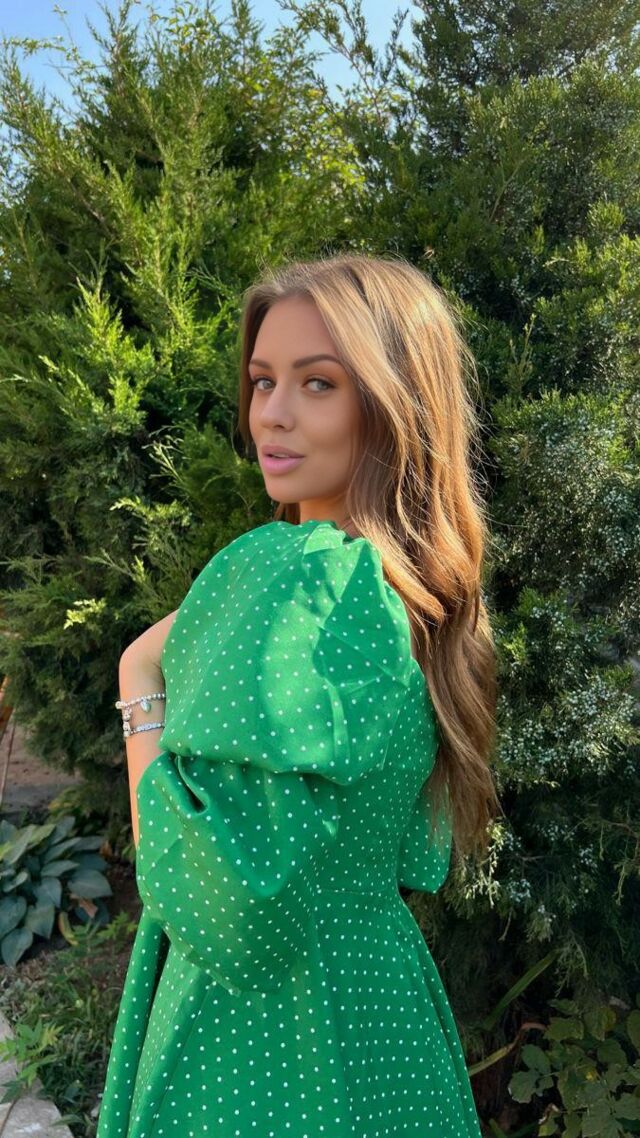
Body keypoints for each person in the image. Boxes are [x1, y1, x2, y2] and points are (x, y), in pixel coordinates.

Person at [98, 252, 501, 1138]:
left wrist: (138, 679)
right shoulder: (413, 598)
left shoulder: (296, 578)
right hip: (380, 1016)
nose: (271, 415)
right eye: (263, 381)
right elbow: (411, 853)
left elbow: (222, 903)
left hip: (258, 1045)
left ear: (394, 405)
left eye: (319, 383)